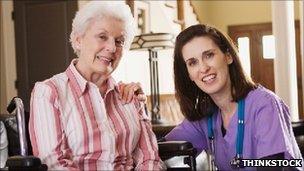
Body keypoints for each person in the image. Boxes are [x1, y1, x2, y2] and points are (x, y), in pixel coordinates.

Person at [28, 1, 164, 170]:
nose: (112, 48)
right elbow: (54, 164)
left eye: (119, 41)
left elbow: (149, 159)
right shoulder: (49, 92)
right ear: (78, 40)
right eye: (102, 36)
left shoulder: (130, 95)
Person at [165, 24, 303, 170]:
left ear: (228, 56)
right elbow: (156, 148)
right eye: (192, 63)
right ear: (188, 74)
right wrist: (138, 110)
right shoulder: (205, 117)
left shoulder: (265, 104)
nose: (203, 68)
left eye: (209, 55)